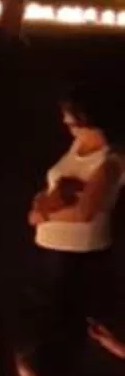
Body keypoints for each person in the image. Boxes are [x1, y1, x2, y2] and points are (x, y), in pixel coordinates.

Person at [27, 91, 120, 350]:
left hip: (76, 255)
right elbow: (57, 184)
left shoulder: (112, 159)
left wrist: (42, 215)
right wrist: (42, 201)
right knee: (44, 317)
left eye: (70, 120)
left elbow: (85, 212)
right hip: (50, 247)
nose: (66, 124)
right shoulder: (78, 143)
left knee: (63, 323)